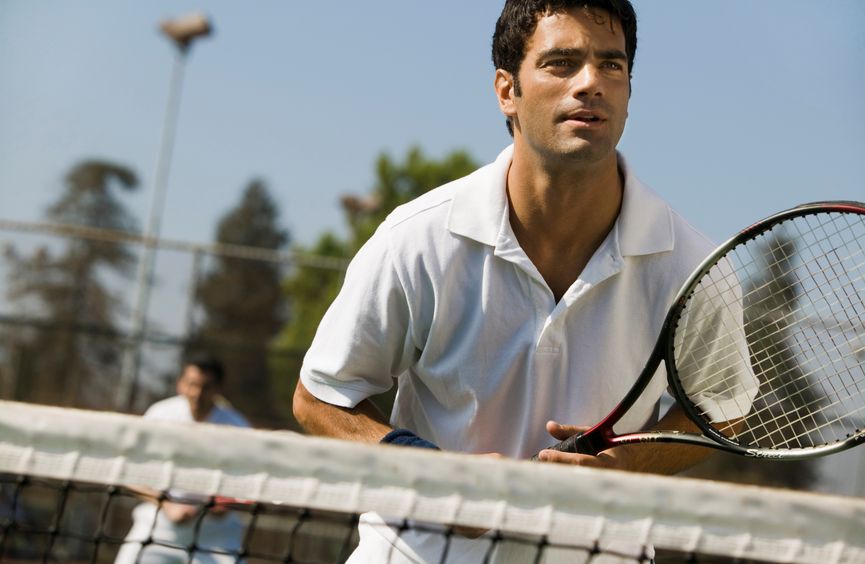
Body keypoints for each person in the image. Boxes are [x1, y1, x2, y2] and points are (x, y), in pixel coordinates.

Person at [293, 0, 728, 561]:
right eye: (561, 63)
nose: (591, 82)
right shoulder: (418, 237)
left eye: (611, 65)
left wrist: (629, 464)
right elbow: (320, 398)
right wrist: (430, 473)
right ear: (507, 91)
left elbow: (719, 406)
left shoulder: (694, 265)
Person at [115, 354, 251, 564]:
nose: (197, 393)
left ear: (218, 388)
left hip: (217, 539)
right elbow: (129, 474)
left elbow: (249, 487)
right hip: (156, 531)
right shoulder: (159, 415)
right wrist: (167, 504)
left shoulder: (238, 427)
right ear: (180, 384)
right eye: (192, 384)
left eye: (205, 387)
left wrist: (223, 505)